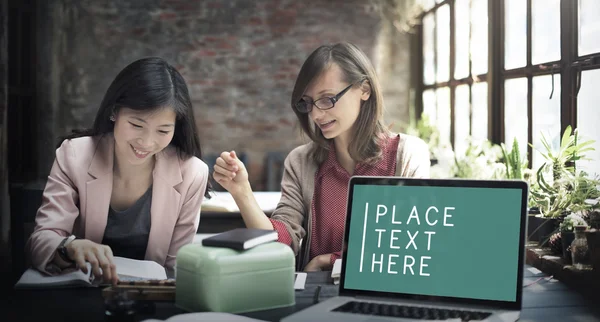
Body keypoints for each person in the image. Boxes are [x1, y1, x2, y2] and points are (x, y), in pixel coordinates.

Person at [213, 42, 430, 272]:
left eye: (327, 99)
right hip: (314, 293)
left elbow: (409, 248)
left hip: (382, 293)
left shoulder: (407, 155)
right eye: (308, 103)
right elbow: (279, 244)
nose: (316, 114)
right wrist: (242, 192)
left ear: (364, 90)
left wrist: (329, 261)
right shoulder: (300, 162)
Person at [26, 57, 210, 285]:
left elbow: (175, 268)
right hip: (78, 294)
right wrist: (68, 248)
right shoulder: (74, 155)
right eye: (136, 125)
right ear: (114, 112)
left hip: (149, 297)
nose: (147, 142)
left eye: (163, 130)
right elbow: (41, 240)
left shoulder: (192, 173)